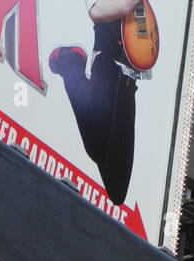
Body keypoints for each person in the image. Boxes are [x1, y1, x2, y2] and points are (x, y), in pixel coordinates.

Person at [48, 0, 149, 205]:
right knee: (115, 188)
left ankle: (70, 65)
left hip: (114, 78)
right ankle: (70, 65)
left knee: (99, 151)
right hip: (117, 79)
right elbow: (98, 12)